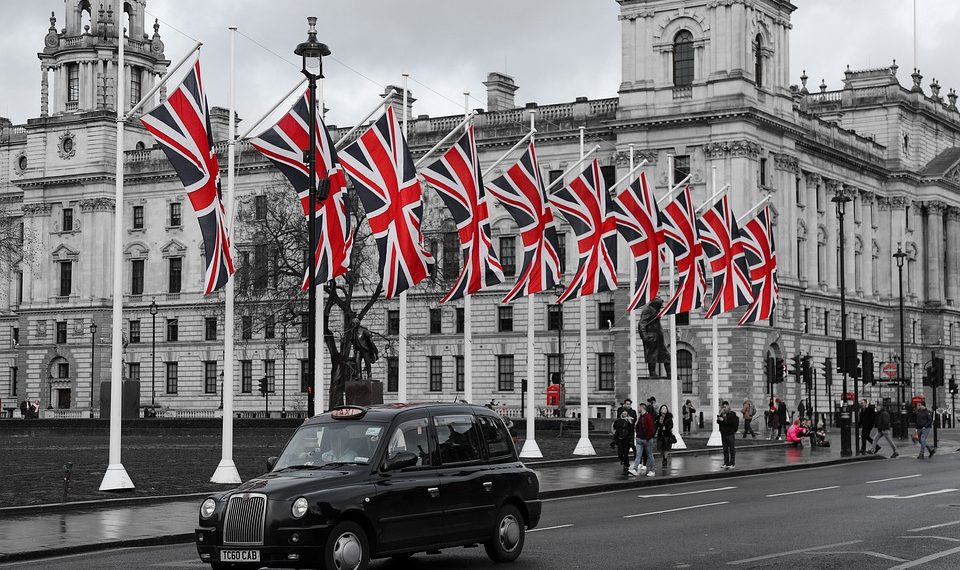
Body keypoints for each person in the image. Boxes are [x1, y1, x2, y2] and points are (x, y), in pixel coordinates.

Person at [638, 298, 670, 377]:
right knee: (652, 356)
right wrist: (644, 336)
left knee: (666, 356)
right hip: (651, 337)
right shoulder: (647, 310)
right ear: (656, 304)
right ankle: (652, 373)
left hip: (659, 337)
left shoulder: (655, 311)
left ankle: (670, 374)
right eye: (660, 305)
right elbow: (641, 324)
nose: (661, 307)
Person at [629, 404, 657, 477]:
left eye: (638, 407)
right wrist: (637, 436)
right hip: (639, 439)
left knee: (650, 455)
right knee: (638, 455)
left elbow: (651, 429)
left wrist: (648, 438)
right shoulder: (640, 417)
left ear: (642, 408)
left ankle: (653, 470)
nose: (638, 409)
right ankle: (635, 469)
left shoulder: (648, 417)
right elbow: (638, 427)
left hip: (647, 440)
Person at [718, 401, 739, 470]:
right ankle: (726, 463)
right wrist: (720, 416)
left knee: (731, 449)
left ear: (728, 406)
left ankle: (732, 463)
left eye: (725, 407)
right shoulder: (722, 414)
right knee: (725, 449)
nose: (724, 408)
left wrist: (723, 420)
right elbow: (718, 421)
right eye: (723, 407)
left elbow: (730, 423)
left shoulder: (732, 414)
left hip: (730, 433)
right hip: (723, 433)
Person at [656, 404, 675, 470]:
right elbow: (657, 425)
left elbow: (671, 425)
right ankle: (663, 456)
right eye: (663, 408)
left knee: (666, 447)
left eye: (665, 408)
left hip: (667, 434)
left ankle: (665, 458)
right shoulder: (658, 417)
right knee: (660, 447)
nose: (664, 410)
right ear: (660, 410)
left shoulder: (669, 417)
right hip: (660, 434)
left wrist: (666, 427)